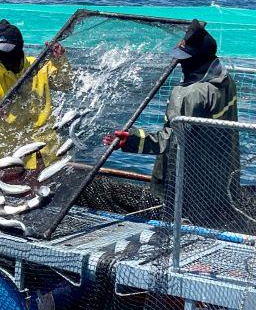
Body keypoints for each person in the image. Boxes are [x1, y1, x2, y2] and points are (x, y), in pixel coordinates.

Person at [102, 19, 239, 226]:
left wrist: (131, 140)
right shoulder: (226, 81)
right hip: (220, 173)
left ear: (196, 59)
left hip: (190, 181)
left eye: (184, 58)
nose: (179, 62)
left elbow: (173, 140)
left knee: (178, 228)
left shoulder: (188, 93)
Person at [0, 19, 72, 172]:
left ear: (20, 48)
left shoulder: (37, 66)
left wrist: (59, 60)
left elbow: (65, 84)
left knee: (43, 191)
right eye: (1, 52)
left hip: (42, 146)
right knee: (0, 190)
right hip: (5, 150)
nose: (5, 56)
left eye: (9, 51)